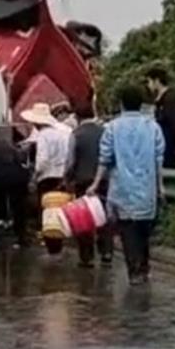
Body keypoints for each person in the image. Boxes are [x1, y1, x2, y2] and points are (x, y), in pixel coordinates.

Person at [88, 86, 165, 283]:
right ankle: (145, 267)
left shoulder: (112, 128)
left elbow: (104, 159)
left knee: (127, 230)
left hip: (122, 189)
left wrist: (95, 184)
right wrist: (160, 186)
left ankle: (135, 270)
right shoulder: (153, 127)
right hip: (146, 188)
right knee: (143, 231)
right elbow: (158, 160)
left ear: (121, 104)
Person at [65, 103, 113, 268]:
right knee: (103, 217)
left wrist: (67, 179)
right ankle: (106, 252)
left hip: (82, 181)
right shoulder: (104, 132)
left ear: (77, 118)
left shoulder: (76, 134)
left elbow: (70, 161)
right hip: (104, 180)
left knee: (84, 219)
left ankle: (87, 257)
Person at [21, 103, 72, 195]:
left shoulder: (43, 135)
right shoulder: (64, 132)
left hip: (48, 178)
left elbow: (42, 161)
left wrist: (34, 177)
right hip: (64, 175)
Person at [145, 66, 175, 168]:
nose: (148, 85)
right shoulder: (159, 100)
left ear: (157, 81)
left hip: (168, 145)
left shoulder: (170, 99)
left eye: (149, 81)